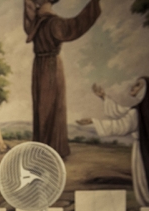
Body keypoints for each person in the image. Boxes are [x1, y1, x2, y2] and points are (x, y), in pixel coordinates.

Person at [24, 0, 101, 158]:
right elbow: (74, 26)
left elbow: (73, 26)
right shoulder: (49, 22)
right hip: (49, 67)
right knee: (48, 107)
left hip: (44, 67)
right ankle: (50, 149)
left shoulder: (42, 23)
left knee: (47, 107)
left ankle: (48, 149)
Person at [77, 78, 149, 207]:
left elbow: (120, 126)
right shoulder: (141, 109)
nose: (133, 86)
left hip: (142, 151)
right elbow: (121, 111)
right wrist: (104, 97)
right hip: (146, 147)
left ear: (146, 90)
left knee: (145, 182)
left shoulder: (137, 112)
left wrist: (94, 122)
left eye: (138, 85)